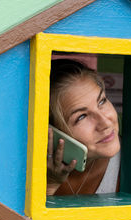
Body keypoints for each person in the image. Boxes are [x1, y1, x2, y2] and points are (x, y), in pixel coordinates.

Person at [47, 59, 121, 195]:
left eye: (102, 101)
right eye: (82, 117)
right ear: (52, 132)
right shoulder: (22, 173)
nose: (105, 123)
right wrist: (49, 186)